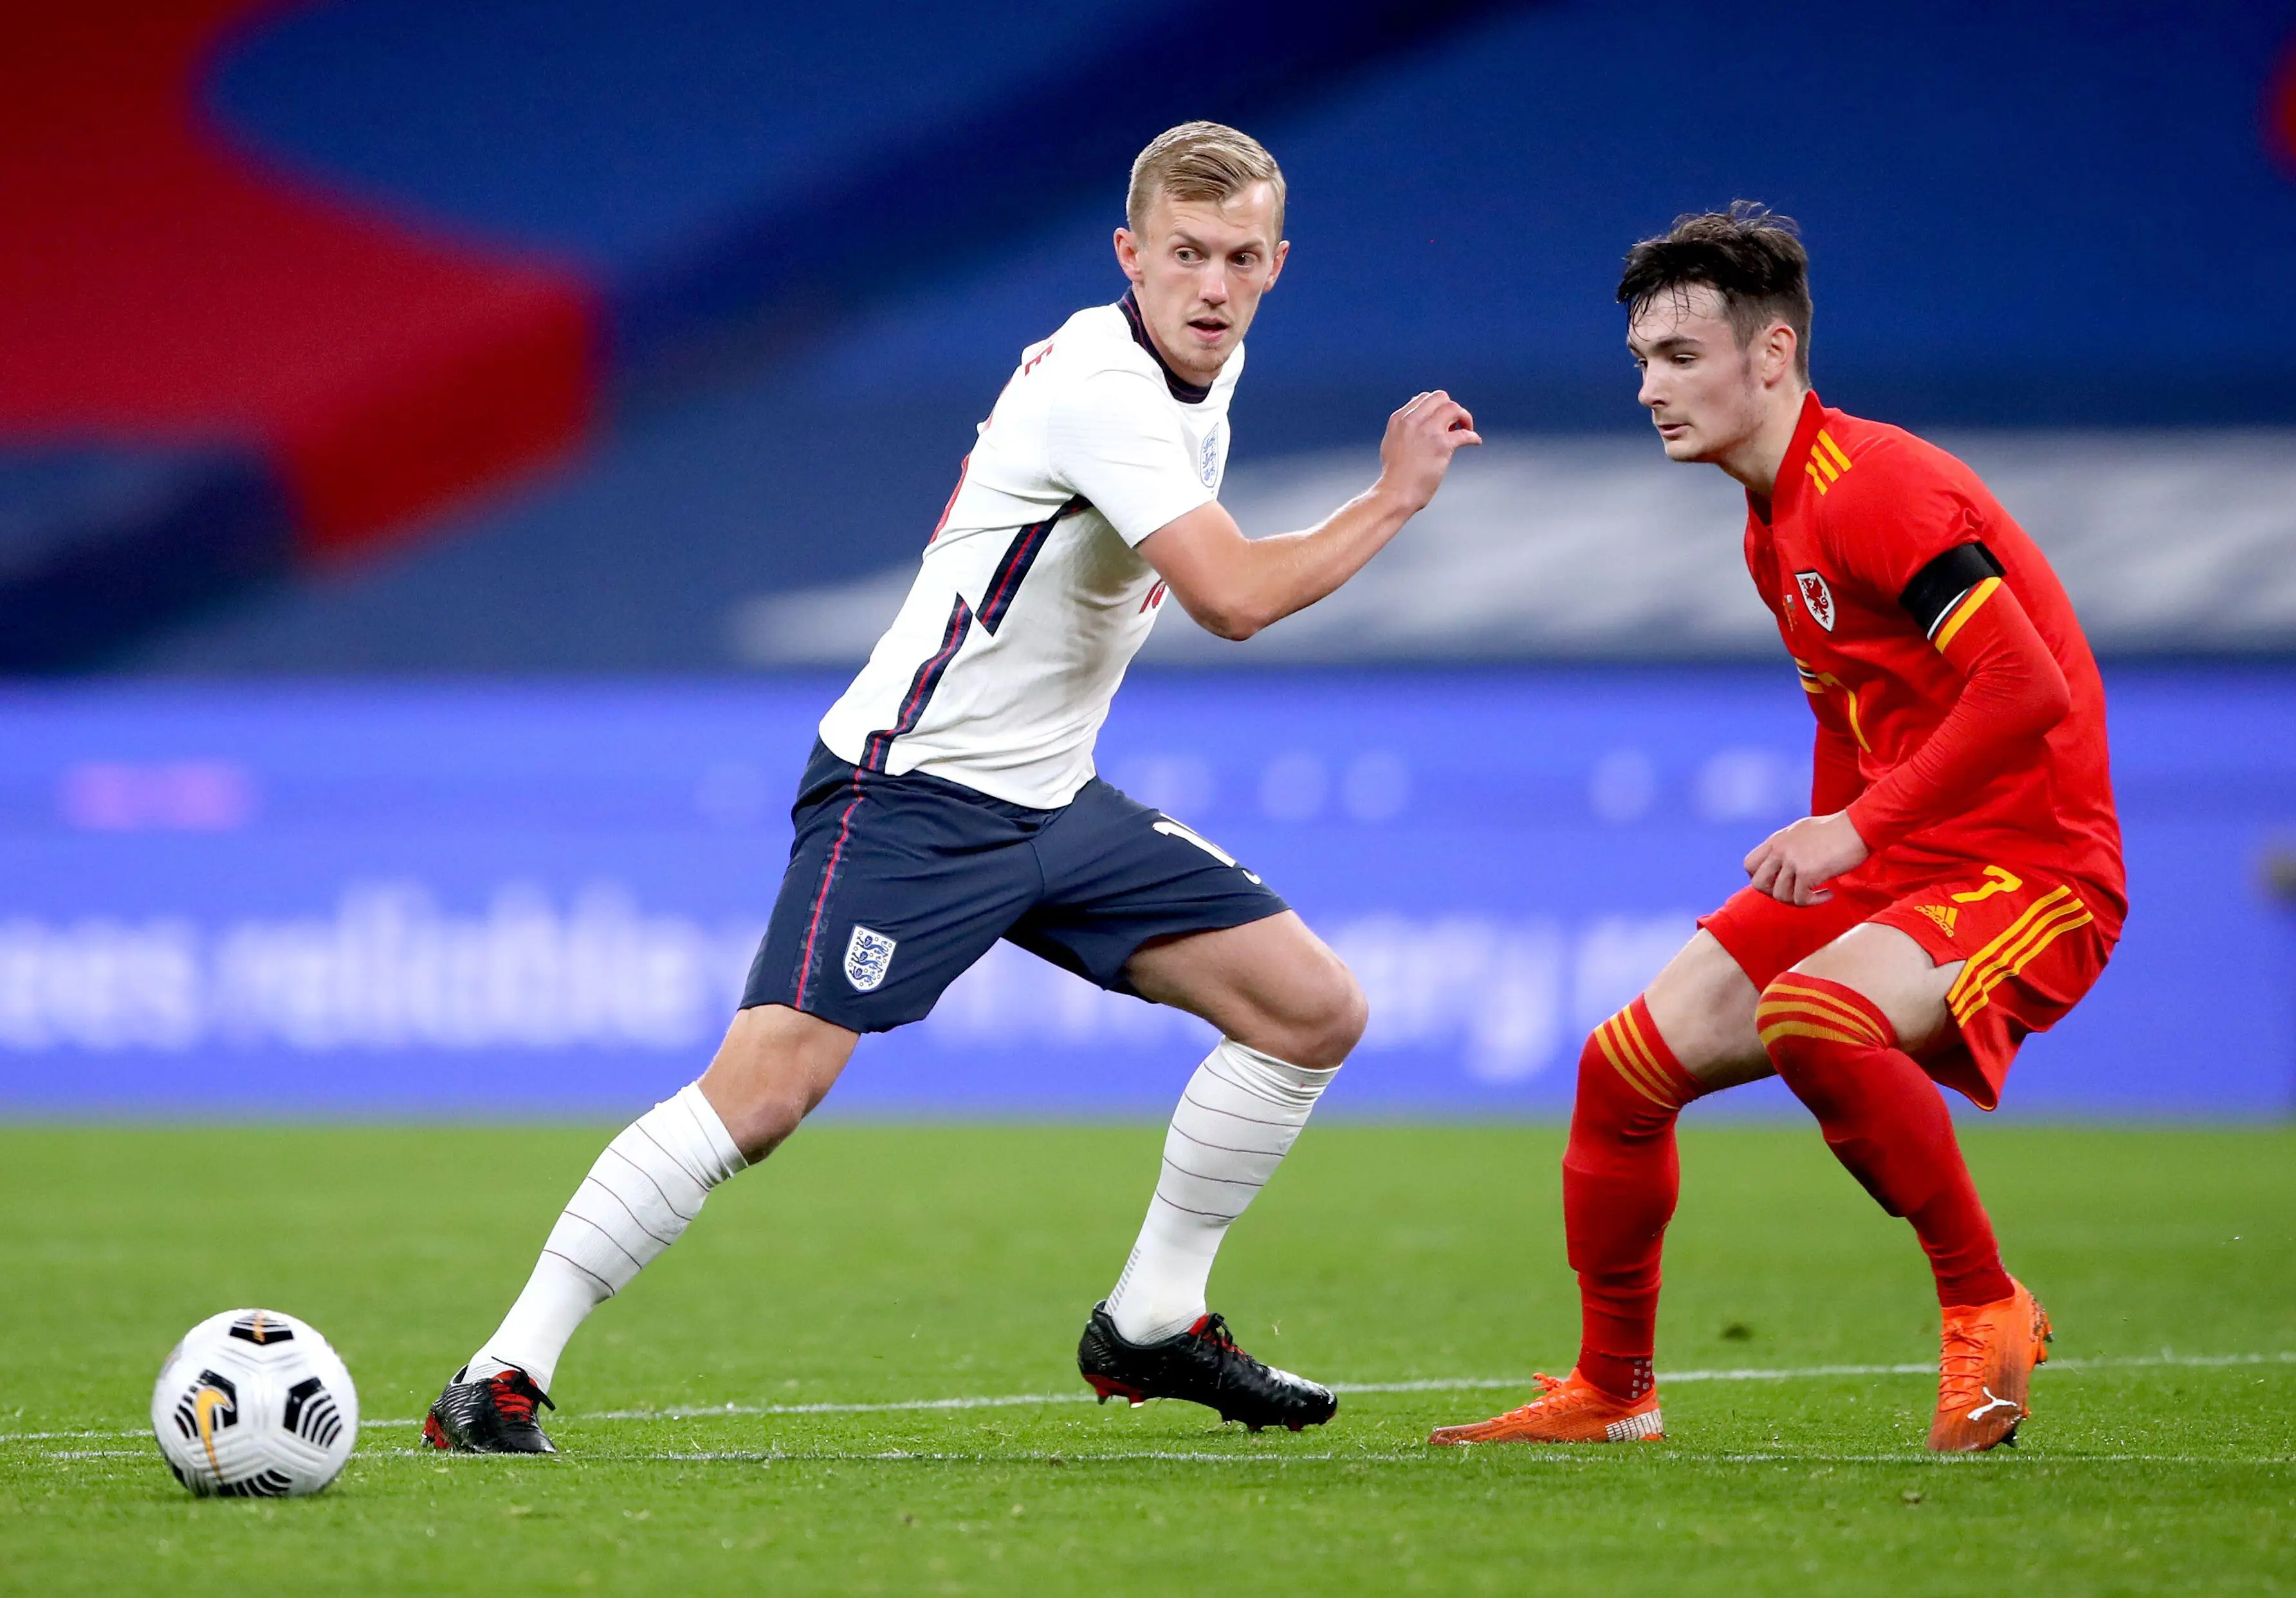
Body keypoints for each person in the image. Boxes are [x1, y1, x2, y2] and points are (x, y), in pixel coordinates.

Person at [425, 121, 1480, 1453]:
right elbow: (1229, 599)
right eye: (1183, 256)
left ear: (1276, 264)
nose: (1210, 286)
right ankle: (499, 1374)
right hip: (910, 796)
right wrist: (1390, 500)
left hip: (1053, 801)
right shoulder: (1103, 383)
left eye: (1237, 259)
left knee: (1308, 1010)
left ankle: (1152, 1321)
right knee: (760, 1096)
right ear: (1128, 256)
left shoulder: (1203, 360)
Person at [1429, 205, 2122, 1453]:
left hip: (2032, 862)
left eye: (1678, 357)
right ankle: (1612, 1391)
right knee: (1620, 1070)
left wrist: (1853, 832)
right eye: (1638, 359)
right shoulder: (1771, 515)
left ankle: (1986, 1305)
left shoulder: (1878, 492)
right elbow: (1859, 708)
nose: (1646, 388)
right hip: (1907, 852)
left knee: (1814, 1018)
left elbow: (2027, 689)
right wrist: (1833, 839)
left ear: (1771, 355)